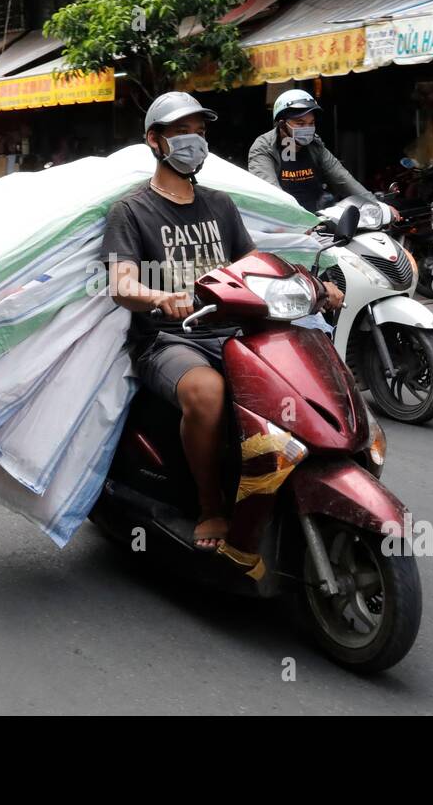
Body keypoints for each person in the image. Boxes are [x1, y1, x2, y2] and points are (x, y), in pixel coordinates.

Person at [102, 92, 344, 550]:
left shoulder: (220, 204)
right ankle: (211, 507)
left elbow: (257, 265)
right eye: (181, 132)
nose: (194, 141)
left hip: (234, 329)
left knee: (301, 372)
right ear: (155, 141)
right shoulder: (131, 212)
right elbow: (122, 284)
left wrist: (312, 285)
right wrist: (160, 297)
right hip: (170, 339)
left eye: (200, 132)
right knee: (207, 392)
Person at [247, 89, 396, 217]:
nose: (307, 128)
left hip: (319, 219)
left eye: (311, 123)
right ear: (281, 124)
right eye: (300, 123)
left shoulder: (315, 145)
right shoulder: (263, 148)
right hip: (282, 223)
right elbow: (271, 195)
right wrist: (295, 222)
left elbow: (343, 179)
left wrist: (378, 207)